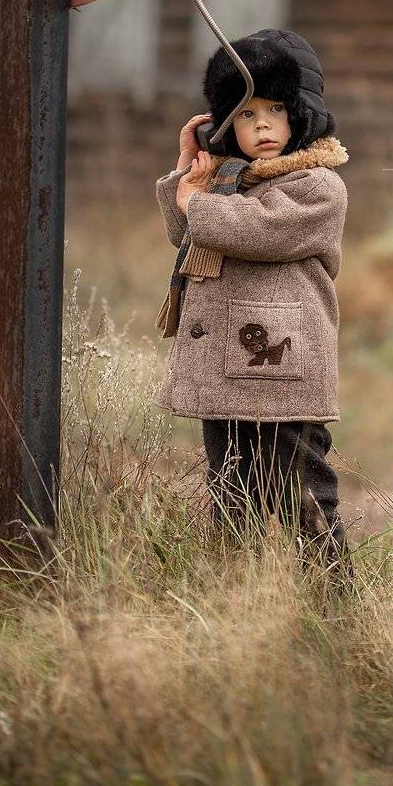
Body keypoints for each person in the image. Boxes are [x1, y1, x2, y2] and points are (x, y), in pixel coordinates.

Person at [153, 28, 351, 574]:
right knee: (232, 495)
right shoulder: (228, 183)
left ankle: (332, 596)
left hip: (282, 368)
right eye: (244, 113)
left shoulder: (317, 186)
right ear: (223, 124)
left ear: (302, 114)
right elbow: (187, 233)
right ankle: (239, 596)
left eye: (275, 109)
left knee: (301, 492)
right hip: (226, 370)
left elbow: (259, 230)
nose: (261, 124)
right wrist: (188, 173)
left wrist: (198, 205)